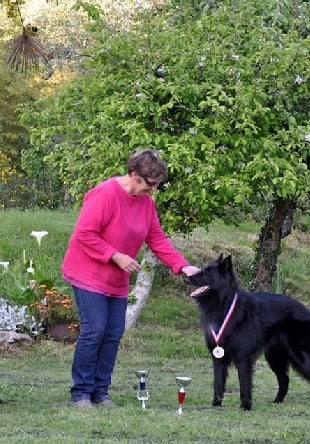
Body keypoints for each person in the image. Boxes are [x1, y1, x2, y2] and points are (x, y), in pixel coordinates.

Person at [62, 148, 200, 408]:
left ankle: (100, 393)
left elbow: (157, 239)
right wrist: (116, 256)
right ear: (134, 175)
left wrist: (182, 267)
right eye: (151, 184)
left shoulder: (146, 202)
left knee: (113, 333)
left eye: (158, 184)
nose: (154, 189)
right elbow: (84, 234)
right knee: (95, 330)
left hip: (116, 280)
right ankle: (80, 394)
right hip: (88, 272)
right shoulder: (105, 194)